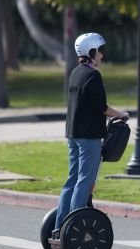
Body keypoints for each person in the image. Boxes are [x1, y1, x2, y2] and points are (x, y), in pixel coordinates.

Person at [52, 32, 128, 238]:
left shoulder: (76, 72)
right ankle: (74, 225)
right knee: (85, 181)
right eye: (101, 51)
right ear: (92, 52)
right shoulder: (93, 75)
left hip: (73, 134)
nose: (102, 55)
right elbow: (101, 107)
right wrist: (121, 114)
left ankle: (60, 226)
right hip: (89, 137)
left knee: (72, 179)